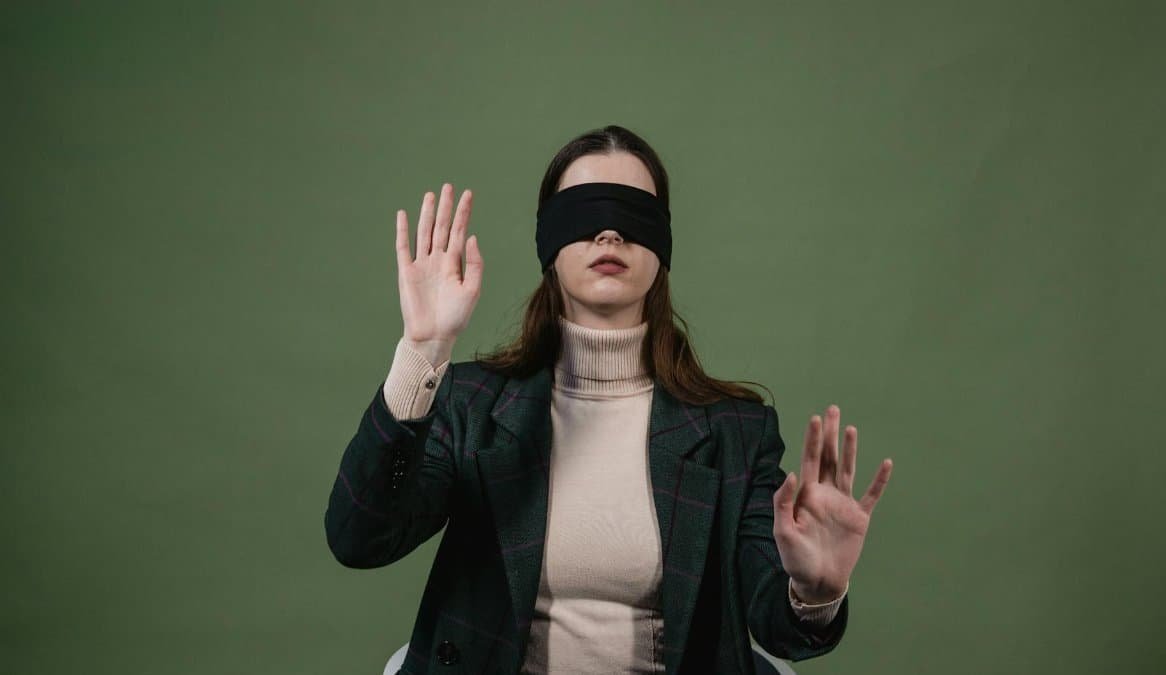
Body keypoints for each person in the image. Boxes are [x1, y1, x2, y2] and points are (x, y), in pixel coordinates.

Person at [324, 125, 894, 674]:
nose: (609, 234)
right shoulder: (471, 403)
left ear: (662, 244)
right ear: (549, 240)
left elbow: (776, 627)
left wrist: (814, 592)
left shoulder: (734, 431)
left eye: (631, 215)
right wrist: (422, 352)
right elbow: (359, 538)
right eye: (585, 213)